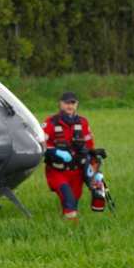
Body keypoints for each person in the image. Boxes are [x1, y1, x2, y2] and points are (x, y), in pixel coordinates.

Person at [41, 91, 103, 222]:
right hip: (57, 172)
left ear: (77, 104)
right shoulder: (50, 123)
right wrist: (56, 152)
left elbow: (90, 149)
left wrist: (96, 171)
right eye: (66, 103)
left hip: (77, 172)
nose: (70, 106)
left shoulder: (83, 123)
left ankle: (65, 227)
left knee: (72, 203)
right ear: (60, 103)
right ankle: (74, 227)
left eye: (72, 103)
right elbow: (39, 146)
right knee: (67, 196)